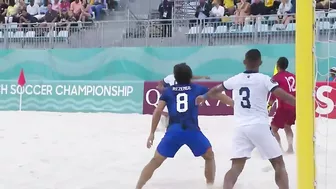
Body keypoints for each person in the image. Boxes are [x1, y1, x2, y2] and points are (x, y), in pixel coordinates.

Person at [196, 49, 294, 189]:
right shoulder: (264, 79)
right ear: (260, 62)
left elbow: (215, 90)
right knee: (279, 164)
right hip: (259, 126)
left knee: (235, 167)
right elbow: (282, 95)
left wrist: (203, 97)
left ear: (244, 62)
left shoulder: (235, 79)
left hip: (240, 128)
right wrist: (300, 103)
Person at [135, 63, 234, 189]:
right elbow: (220, 96)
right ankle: (210, 185)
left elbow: (158, 111)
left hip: (173, 131)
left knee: (156, 160)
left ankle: (138, 186)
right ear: (190, 76)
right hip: (192, 130)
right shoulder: (198, 88)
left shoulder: (168, 91)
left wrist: (152, 133)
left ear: (175, 77)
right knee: (209, 156)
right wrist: (235, 104)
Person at [156, 64, 210, 130]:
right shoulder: (169, 77)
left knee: (178, 112)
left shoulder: (184, 77)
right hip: (173, 95)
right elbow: (161, 83)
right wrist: (162, 88)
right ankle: (164, 127)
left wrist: (202, 77)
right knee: (165, 112)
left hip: (180, 95)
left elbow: (193, 77)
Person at [268, 57, 295, 153]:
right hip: (295, 107)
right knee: (287, 126)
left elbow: (273, 96)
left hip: (284, 107)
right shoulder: (293, 76)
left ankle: (279, 149)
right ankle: (290, 148)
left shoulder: (276, 78)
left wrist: (267, 109)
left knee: (273, 129)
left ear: (277, 65)